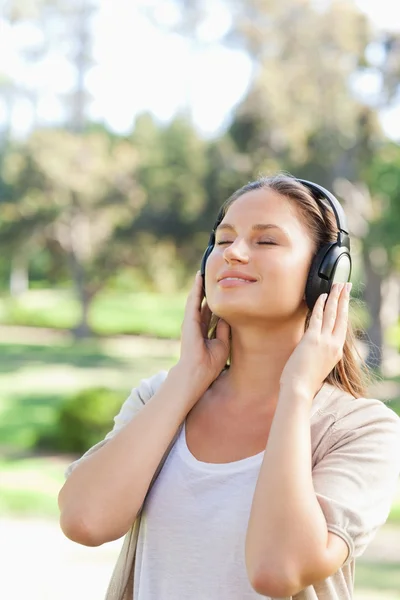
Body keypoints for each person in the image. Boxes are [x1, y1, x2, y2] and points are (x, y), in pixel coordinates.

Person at [58, 174, 400, 600]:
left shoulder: (361, 429)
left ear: (327, 273)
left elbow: (277, 570)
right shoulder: (160, 397)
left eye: (266, 241)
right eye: (223, 241)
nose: (234, 253)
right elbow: (85, 521)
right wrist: (187, 379)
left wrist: (296, 390)